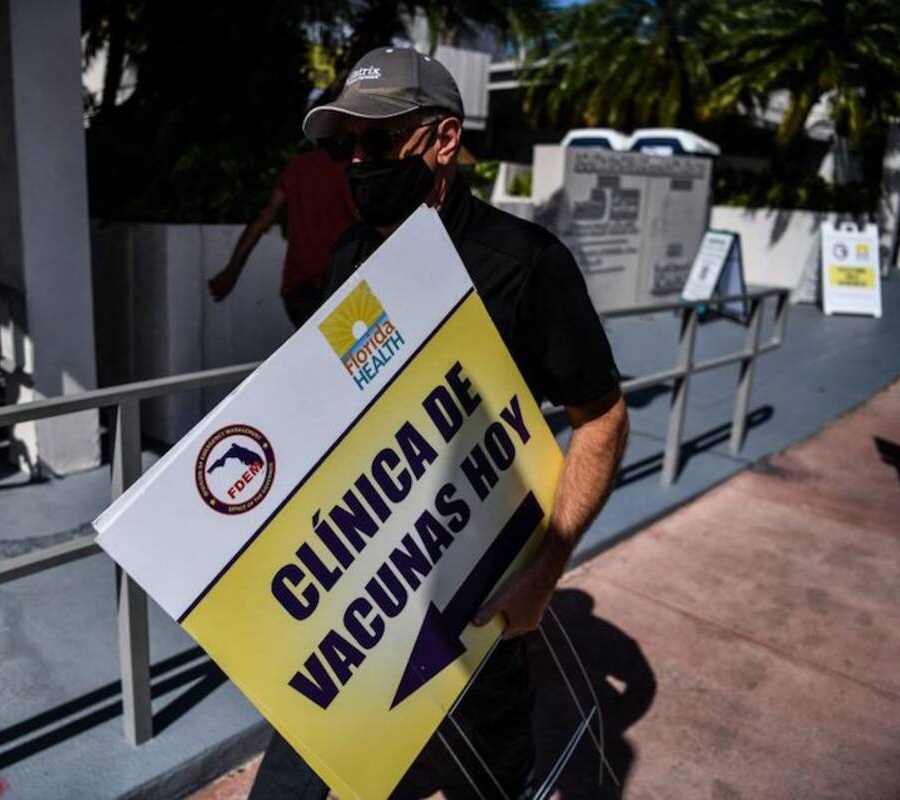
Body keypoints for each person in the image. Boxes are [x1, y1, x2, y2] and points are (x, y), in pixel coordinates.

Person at [248, 47, 630, 799]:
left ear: (444, 141)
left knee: (495, 774)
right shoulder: (351, 252)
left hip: (480, 591)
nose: (356, 161)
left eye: (378, 141)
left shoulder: (525, 264)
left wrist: (544, 571)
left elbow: (604, 418)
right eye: (341, 146)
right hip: (358, 583)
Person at [208, 146, 356, 327]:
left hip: (300, 289)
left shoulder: (298, 167)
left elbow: (264, 216)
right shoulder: (354, 167)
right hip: (344, 284)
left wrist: (232, 270)